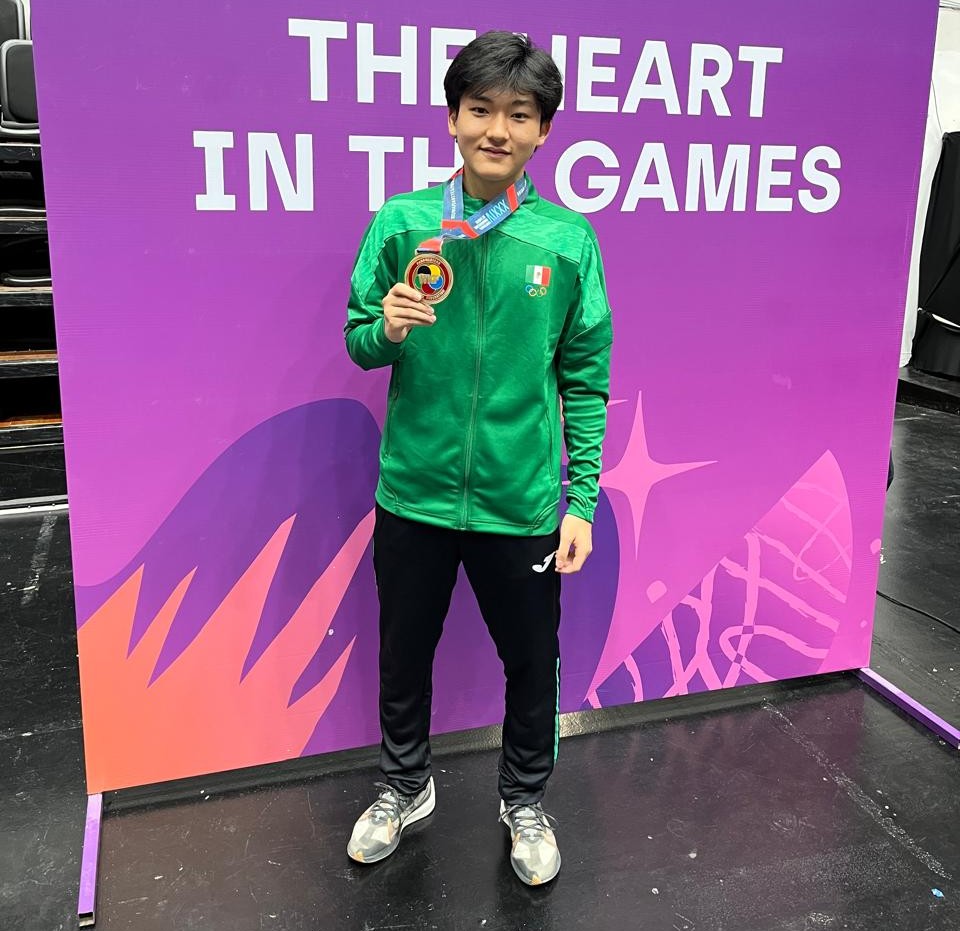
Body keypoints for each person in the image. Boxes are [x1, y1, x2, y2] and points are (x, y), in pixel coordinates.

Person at [343, 30, 613, 886]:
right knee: (403, 655)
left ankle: (524, 799)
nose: (497, 129)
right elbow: (358, 339)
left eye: (519, 115)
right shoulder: (404, 222)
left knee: (531, 662)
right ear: (453, 118)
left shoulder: (566, 241)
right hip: (414, 494)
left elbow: (587, 379)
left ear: (544, 131)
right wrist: (386, 328)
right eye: (481, 109)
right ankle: (403, 784)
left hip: (519, 503)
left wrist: (578, 501)